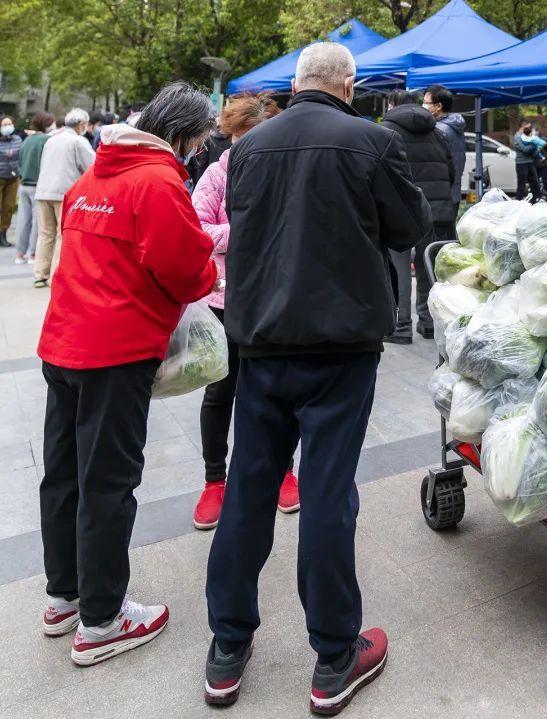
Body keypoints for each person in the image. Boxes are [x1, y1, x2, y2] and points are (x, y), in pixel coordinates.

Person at [204, 43, 430, 713]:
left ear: (297, 84)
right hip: (340, 343)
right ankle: (334, 653)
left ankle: (227, 645)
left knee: (248, 487)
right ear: (348, 84)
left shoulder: (247, 146)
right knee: (328, 494)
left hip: (263, 338)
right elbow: (409, 225)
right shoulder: (370, 141)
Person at [37, 82, 219, 666]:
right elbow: (187, 269)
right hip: (115, 354)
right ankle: (102, 619)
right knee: (108, 484)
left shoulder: (97, 177)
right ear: (185, 136)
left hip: (64, 342)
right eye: (198, 142)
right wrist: (208, 280)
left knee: (63, 474)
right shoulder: (157, 181)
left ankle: (65, 594)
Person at [190, 93, 298, 531]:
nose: (241, 146)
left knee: (277, 390)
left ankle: (282, 470)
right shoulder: (218, 173)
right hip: (224, 302)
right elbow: (196, 228)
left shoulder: (287, 174)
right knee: (219, 392)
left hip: (275, 298)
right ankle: (215, 480)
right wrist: (246, 232)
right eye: (236, 139)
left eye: (249, 137)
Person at [381, 89, 455, 344]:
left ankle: (401, 327)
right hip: (435, 209)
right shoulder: (436, 131)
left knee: (400, 269)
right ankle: (428, 323)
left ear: (391, 105)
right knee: (427, 267)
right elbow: (451, 171)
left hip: (401, 210)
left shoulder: (388, 131)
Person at [33, 108, 95, 288]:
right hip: (64, 193)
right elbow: (92, 165)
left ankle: (39, 274)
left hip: (43, 190)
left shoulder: (51, 140)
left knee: (45, 234)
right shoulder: (78, 141)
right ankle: (55, 275)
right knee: (62, 234)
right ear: (81, 124)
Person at [14, 111, 55, 264]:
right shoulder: (46, 140)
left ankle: (20, 254)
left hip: (24, 184)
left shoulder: (27, 140)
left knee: (23, 221)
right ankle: (32, 254)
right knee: (38, 222)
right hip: (37, 185)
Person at [424, 84, 465, 224]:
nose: (423, 106)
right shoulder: (455, 126)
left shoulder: (439, 130)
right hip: (453, 192)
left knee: (436, 241)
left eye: (426, 103)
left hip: (441, 195)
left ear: (438, 106)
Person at [187, 119, 233, 188]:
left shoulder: (208, 139)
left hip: (204, 183)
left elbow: (199, 163)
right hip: (224, 184)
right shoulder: (235, 143)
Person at [0, 116, 22, 247]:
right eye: (4, 124)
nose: (7, 126)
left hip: (13, 178)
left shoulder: (18, 140)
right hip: (0, 176)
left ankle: (3, 233)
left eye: (9, 123)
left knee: (9, 207)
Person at [513, 120, 542, 200]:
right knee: (521, 183)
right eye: (528, 127)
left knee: (534, 182)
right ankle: (518, 201)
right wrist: (533, 144)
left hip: (530, 162)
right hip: (521, 163)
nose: (529, 129)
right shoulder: (517, 137)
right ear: (523, 126)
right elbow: (524, 149)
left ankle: (537, 199)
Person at [533, 126, 547, 201]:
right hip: (535, 163)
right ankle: (538, 194)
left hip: (542, 163)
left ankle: (546, 194)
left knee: (544, 179)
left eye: (535, 131)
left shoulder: (544, 140)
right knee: (536, 180)